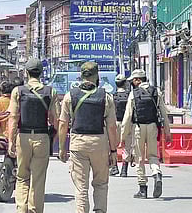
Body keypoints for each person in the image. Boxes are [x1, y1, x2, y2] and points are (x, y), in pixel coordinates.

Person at [58, 62, 118, 213]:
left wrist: (61, 148)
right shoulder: (106, 97)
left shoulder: (69, 96)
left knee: (81, 187)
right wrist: (113, 150)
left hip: (78, 143)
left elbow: (63, 124)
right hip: (99, 143)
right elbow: (111, 127)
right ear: (96, 75)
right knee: (101, 184)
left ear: (81, 75)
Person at [7, 59, 59, 213]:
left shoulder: (18, 91)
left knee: (22, 176)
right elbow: (55, 120)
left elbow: (13, 118)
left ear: (27, 72)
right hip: (42, 137)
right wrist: (53, 139)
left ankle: (22, 209)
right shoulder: (51, 92)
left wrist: (11, 141)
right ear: (41, 73)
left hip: (23, 136)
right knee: (38, 178)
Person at [121, 69, 172, 199]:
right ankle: (157, 173)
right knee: (153, 155)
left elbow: (127, 117)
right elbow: (164, 114)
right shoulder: (156, 92)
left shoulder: (133, 94)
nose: (132, 83)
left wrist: (123, 136)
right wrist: (167, 132)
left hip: (138, 128)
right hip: (153, 127)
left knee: (139, 158)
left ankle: (142, 189)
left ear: (138, 80)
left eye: (133, 80)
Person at [111, 74, 132, 177]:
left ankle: (114, 167)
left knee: (113, 146)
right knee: (127, 147)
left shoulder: (112, 96)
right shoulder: (130, 96)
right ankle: (124, 169)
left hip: (115, 123)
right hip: (127, 123)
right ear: (125, 83)